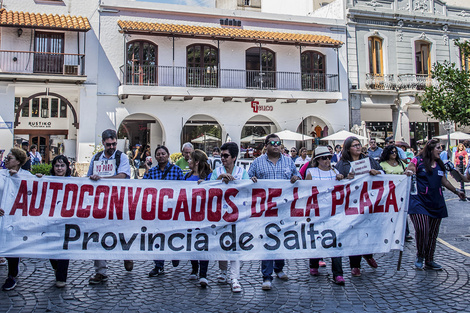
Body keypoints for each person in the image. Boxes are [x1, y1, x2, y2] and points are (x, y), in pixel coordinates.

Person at [248, 134, 301, 290]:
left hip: (284, 208)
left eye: (278, 143)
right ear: (266, 145)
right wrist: (252, 181)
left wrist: (296, 177)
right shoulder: (257, 163)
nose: (276, 145)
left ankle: (279, 268)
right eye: (273, 143)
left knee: (282, 238)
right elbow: (248, 178)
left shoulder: (288, 161)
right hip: (266, 208)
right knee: (268, 240)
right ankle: (266, 275)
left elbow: (297, 175)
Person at [405, 139, 465, 270]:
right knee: (422, 229)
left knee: (432, 233)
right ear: (431, 149)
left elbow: (444, 180)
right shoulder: (418, 160)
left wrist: (456, 191)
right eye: (438, 148)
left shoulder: (439, 163)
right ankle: (420, 255)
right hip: (419, 201)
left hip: (436, 201)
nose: (440, 150)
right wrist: (409, 172)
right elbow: (409, 169)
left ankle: (429, 259)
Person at [87, 129, 132, 285]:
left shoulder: (122, 157)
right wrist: (93, 179)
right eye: (108, 144)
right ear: (103, 143)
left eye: (114, 144)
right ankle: (100, 271)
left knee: (121, 233)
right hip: (101, 203)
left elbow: (123, 176)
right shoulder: (96, 158)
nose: (111, 146)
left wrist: (102, 179)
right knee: (98, 235)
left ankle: (127, 255)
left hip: (119, 201)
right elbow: (88, 178)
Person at [334, 136, 383, 277]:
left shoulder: (369, 160)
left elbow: (383, 174)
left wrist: (377, 173)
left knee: (367, 230)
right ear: (348, 148)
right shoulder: (342, 164)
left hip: (367, 201)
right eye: (354, 145)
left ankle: (368, 253)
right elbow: (336, 181)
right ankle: (354, 265)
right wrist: (344, 178)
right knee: (353, 233)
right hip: (350, 203)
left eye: (359, 144)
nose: (358, 147)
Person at [211, 142, 249, 293]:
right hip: (221, 213)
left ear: (234, 157)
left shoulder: (242, 172)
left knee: (235, 246)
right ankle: (222, 271)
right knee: (222, 244)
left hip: (237, 215)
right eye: (221, 155)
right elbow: (209, 187)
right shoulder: (217, 171)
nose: (223, 158)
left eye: (226, 156)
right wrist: (219, 179)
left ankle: (234, 277)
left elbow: (247, 189)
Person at [305, 146, 345, 285]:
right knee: (315, 238)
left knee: (335, 240)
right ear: (317, 160)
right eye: (324, 158)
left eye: (329, 157)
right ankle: (314, 263)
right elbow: (306, 191)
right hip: (317, 210)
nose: (327, 160)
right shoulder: (311, 172)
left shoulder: (335, 171)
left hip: (333, 211)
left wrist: (342, 178)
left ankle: (338, 273)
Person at [144, 145, 184, 277]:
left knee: (173, 234)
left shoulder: (177, 170)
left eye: (163, 153)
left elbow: (184, 189)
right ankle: (158, 265)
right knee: (157, 236)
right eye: (158, 154)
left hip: (173, 210)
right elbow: (143, 187)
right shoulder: (152, 172)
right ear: (155, 157)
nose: (161, 156)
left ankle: (174, 253)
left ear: (168, 155)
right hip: (157, 210)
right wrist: (145, 171)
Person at [0, 148, 34, 290]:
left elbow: (35, 191)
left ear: (18, 162)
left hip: (16, 218)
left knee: (12, 246)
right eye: (6, 158)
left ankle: (12, 275)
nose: (6, 160)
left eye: (10, 158)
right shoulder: (1, 174)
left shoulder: (26, 175)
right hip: (1, 216)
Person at [184, 149, 212, 287]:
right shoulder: (187, 176)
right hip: (189, 214)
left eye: (190, 159)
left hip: (204, 214)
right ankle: (194, 268)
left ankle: (203, 274)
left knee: (203, 243)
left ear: (197, 162)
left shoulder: (208, 176)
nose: (188, 161)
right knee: (191, 243)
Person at [379, 145, 413, 242]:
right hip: (388, 193)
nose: (394, 154)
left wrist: (407, 173)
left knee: (402, 211)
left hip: (401, 191)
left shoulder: (401, 163)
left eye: (395, 152)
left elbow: (405, 171)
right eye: (392, 152)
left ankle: (404, 232)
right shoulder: (383, 164)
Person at [48, 155, 72, 288]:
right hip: (51, 219)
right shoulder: (47, 180)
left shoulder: (73, 182)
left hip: (66, 219)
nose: (59, 168)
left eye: (62, 165)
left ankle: (61, 277)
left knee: (64, 247)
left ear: (67, 167)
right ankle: (56, 267)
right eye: (57, 165)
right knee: (50, 247)